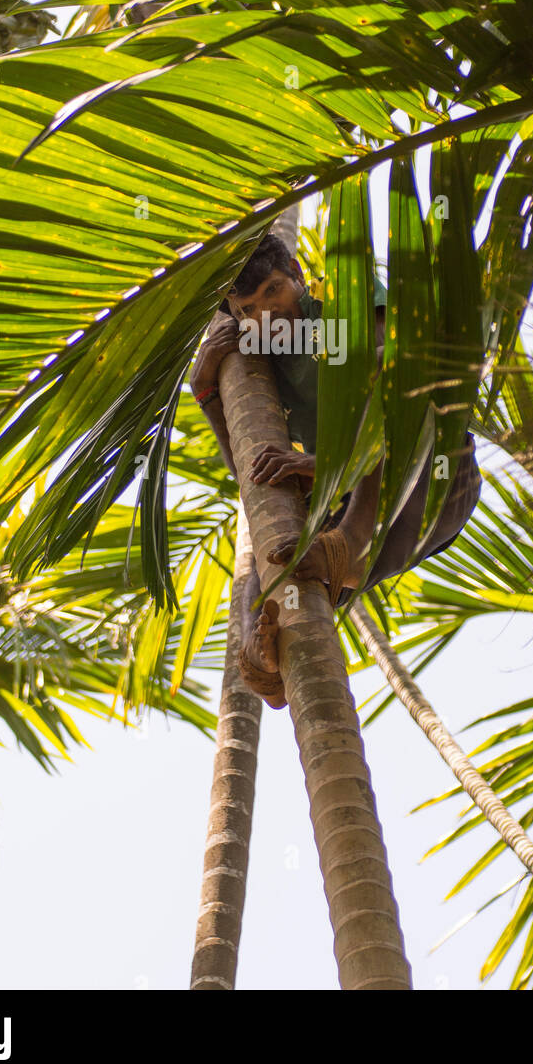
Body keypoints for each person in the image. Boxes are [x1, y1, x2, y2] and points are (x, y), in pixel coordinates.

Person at [189, 234, 481, 708]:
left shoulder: (347, 303)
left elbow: (403, 370)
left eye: (274, 292)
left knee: (385, 366)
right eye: (248, 309)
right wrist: (206, 394)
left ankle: (353, 544)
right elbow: (252, 477)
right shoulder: (268, 366)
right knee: (270, 569)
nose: (265, 315)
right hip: (363, 503)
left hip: (435, 472)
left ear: (298, 275)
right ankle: (267, 664)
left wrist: (330, 466)